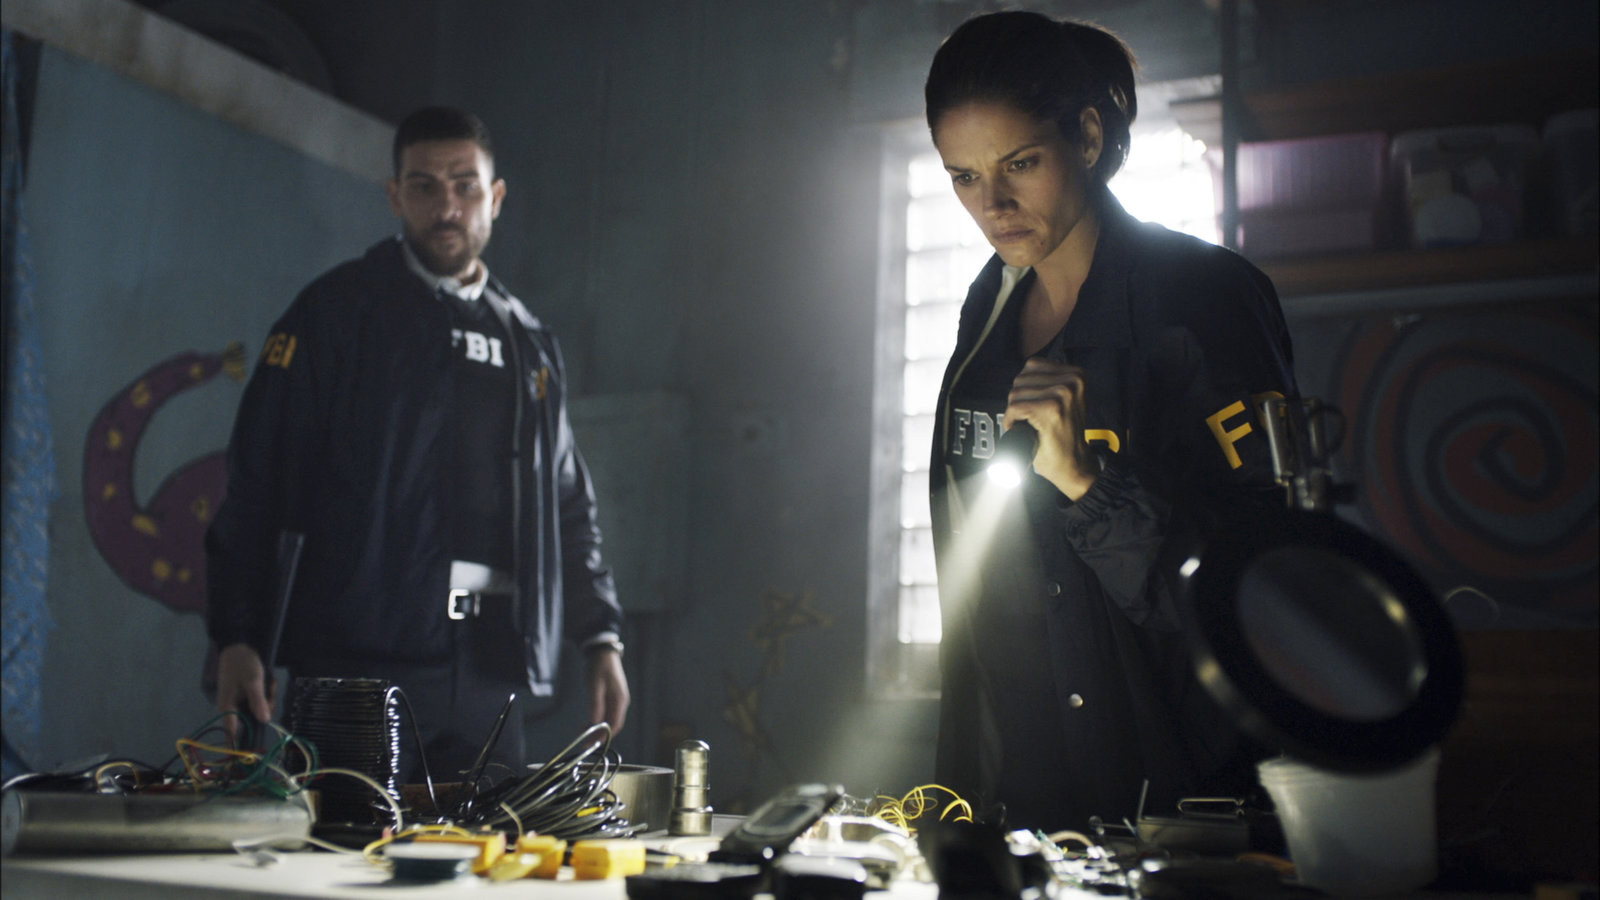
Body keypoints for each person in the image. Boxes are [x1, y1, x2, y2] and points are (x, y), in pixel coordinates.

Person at [923, 12, 1297, 832]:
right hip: (1027, 801)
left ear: (1087, 137)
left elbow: (1276, 591)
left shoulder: (1204, 298)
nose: (992, 204)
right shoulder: (985, 317)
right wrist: (964, 806)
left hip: (1187, 800)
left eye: (1021, 163)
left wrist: (1090, 485)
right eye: (964, 176)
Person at [205, 106, 629, 784]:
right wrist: (237, 636)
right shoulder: (335, 314)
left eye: (465, 185)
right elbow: (258, 482)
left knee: (490, 847)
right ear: (395, 195)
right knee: (347, 843)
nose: (447, 206)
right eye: (425, 186)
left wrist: (600, 638)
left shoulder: (528, 342)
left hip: (493, 671)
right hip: (358, 665)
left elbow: (567, 505)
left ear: (495, 197)